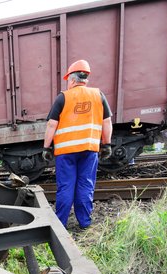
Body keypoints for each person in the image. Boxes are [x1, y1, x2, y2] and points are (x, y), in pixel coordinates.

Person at [42, 60, 113, 229]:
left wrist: (46, 147)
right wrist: (107, 144)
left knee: (66, 186)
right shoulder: (98, 95)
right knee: (86, 184)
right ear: (85, 79)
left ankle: (60, 224)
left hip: (65, 152)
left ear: (72, 80)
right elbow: (107, 122)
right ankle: (85, 223)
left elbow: (51, 124)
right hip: (89, 150)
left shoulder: (63, 97)